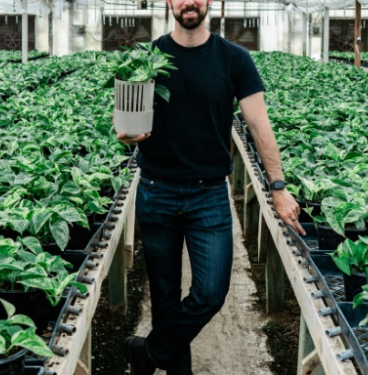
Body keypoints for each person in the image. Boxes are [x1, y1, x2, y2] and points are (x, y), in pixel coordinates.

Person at [115, 0, 306, 372]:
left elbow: (258, 124)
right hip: (157, 190)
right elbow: (122, 116)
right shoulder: (147, 58)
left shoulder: (234, 59)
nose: (189, 2)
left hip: (210, 195)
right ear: (169, 2)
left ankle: (148, 352)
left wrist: (278, 186)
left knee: (210, 294)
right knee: (165, 298)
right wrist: (126, 134)